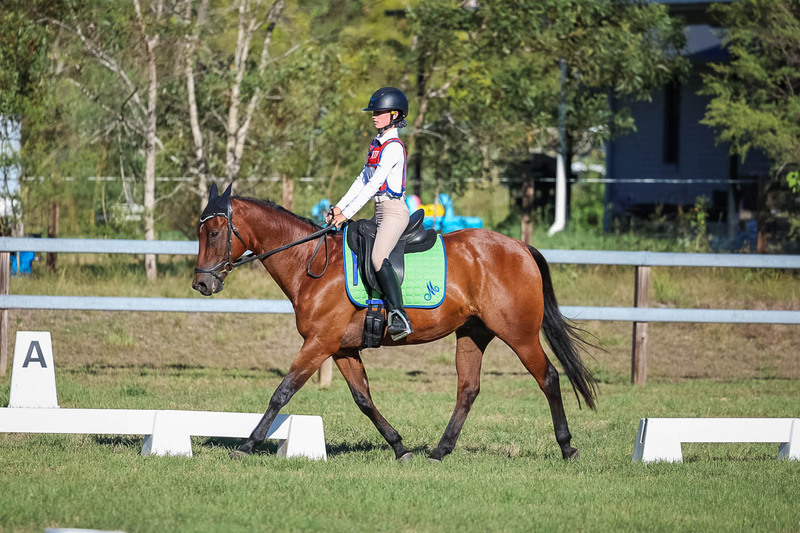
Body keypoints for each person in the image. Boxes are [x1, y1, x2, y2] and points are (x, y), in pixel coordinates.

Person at [326, 86, 413, 340]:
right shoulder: (377, 144)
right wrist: (340, 207)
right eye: (374, 111)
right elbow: (362, 179)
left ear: (395, 115)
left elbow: (375, 185)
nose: (374, 115)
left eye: (380, 112)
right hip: (378, 211)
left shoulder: (394, 147)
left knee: (377, 257)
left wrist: (349, 212)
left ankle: (399, 315)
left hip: (395, 212)